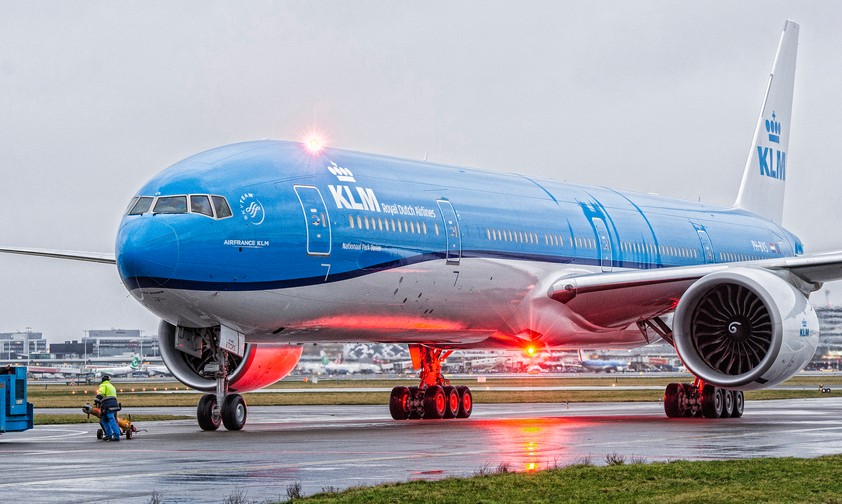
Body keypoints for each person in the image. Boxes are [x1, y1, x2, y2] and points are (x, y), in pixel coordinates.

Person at [97, 374, 120, 441]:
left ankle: (113, 435)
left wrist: (96, 400)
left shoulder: (103, 385)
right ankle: (112, 435)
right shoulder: (111, 386)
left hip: (107, 405)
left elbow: (101, 393)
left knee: (107, 420)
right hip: (114, 404)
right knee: (108, 420)